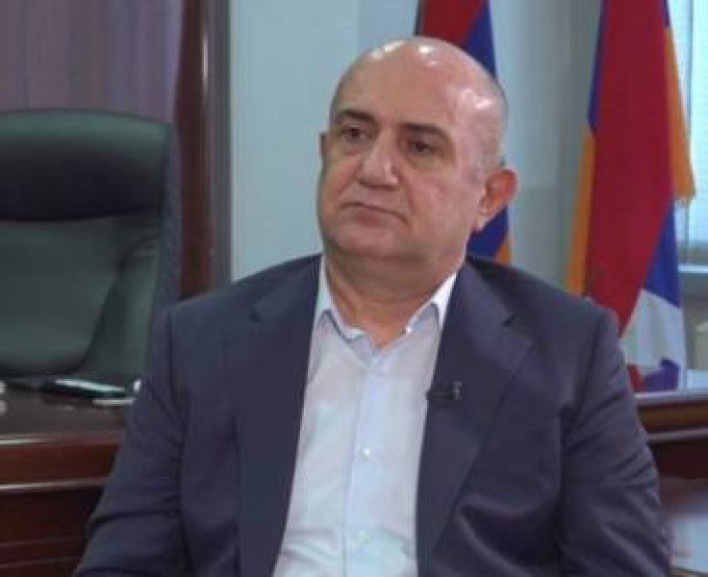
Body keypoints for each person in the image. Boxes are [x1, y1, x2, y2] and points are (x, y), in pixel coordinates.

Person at [76, 37, 669, 576]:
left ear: (489, 197)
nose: (374, 169)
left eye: (420, 147)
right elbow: (123, 563)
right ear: (324, 151)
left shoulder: (569, 351)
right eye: (355, 135)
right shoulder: (199, 340)